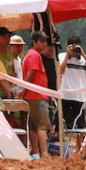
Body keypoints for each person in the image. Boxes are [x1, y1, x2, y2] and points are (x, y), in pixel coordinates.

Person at [59, 36, 86, 148]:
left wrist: (83, 54)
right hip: (66, 94)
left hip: (80, 96)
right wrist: (67, 54)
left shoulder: (83, 60)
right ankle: (66, 145)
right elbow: (61, 70)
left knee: (80, 122)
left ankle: (80, 145)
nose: (75, 50)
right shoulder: (61, 56)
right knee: (65, 121)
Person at [18, 31, 51, 159]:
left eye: (45, 41)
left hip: (33, 96)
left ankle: (36, 153)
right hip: (37, 95)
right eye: (41, 41)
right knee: (42, 126)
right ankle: (44, 153)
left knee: (33, 126)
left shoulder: (31, 55)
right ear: (34, 42)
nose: (44, 44)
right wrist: (24, 91)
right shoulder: (34, 56)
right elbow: (30, 75)